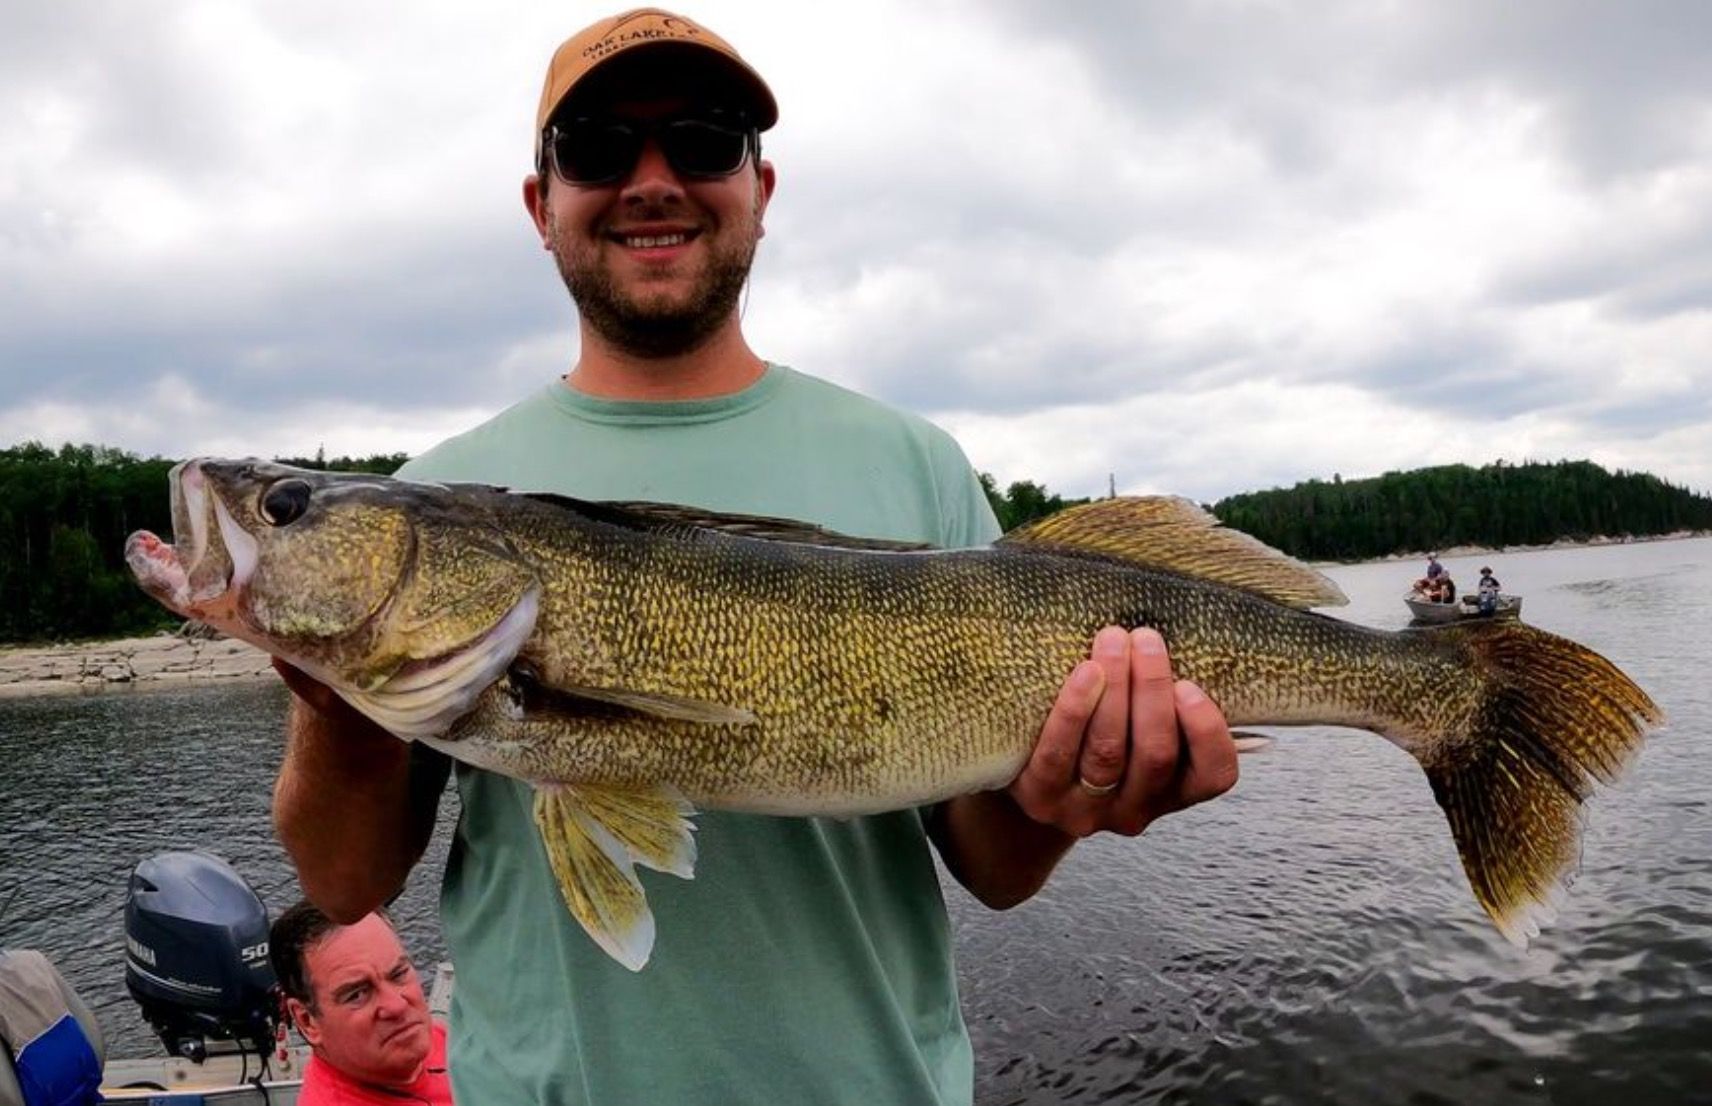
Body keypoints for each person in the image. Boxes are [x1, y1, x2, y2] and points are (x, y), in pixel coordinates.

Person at [271, 9, 1239, 1103]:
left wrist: (1083, 785)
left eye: (699, 139)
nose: (650, 180)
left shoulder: (911, 462)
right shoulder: (439, 487)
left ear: (759, 191)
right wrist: (333, 689)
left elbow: (997, 868)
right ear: (542, 206)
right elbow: (345, 880)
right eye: (595, 148)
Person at [268, 903, 451, 1106]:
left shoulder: (433, 1041)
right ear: (307, 1021)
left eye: (398, 974)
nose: (396, 1006)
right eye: (357, 995)